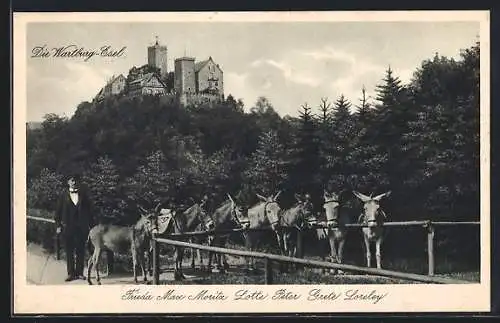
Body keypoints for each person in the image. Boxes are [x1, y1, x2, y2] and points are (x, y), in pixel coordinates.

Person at [55, 175, 94, 282]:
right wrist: (58, 226)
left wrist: (92, 226)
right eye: (72, 180)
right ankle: (71, 274)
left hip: (81, 228)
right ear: (68, 182)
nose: (74, 182)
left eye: (76, 180)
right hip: (68, 227)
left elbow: (90, 212)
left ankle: (80, 273)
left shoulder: (83, 195)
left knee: (81, 250)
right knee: (69, 251)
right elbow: (57, 212)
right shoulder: (63, 195)